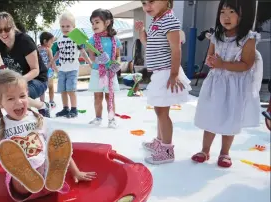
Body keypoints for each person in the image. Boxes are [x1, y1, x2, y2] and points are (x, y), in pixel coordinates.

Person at [0, 70, 96, 202]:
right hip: (23, 187)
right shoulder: (0, 125)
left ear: (28, 95)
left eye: (22, 96)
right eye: (11, 98)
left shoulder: (39, 119)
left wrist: (76, 172)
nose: (19, 102)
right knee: (19, 172)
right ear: (0, 103)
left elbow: (60, 150)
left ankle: (50, 175)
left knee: (53, 152)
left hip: (48, 183)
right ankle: (27, 174)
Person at [192, 0, 260, 168]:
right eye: (223, 12)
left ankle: (224, 153)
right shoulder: (216, 36)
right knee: (211, 115)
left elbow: (246, 65)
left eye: (232, 12)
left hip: (234, 86)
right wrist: (211, 61)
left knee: (230, 118)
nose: (226, 17)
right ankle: (205, 150)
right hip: (215, 83)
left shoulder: (248, 39)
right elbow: (210, 57)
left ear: (242, 15)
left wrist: (223, 64)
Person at [135, 0, 191, 165]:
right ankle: (160, 142)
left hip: (167, 72)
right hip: (159, 73)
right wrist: (142, 32)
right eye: (144, 3)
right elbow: (149, 44)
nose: (147, 7)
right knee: (159, 110)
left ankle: (167, 150)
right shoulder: (156, 21)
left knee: (162, 112)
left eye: (152, 2)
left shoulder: (169, 20)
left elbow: (176, 49)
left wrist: (173, 74)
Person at [0, 11, 50, 117]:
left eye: (6, 29)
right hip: (14, 79)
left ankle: (42, 106)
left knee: (17, 94)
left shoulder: (25, 41)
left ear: (13, 27)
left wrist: (17, 82)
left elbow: (35, 70)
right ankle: (7, 94)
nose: (3, 33)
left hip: (37, 80)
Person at [51, 11, 92, 118]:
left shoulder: (76, 39)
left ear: (74, 26)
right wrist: (52, 62)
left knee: (71, 90)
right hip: (61, 70)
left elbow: (83, 52)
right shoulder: (59, 40)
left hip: (72, 69)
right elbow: (58, 53)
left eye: (68, 26)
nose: (65, 28)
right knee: (62, 90)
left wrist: (90, 63)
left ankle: (74, 109)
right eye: (62, 26)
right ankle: (65, 108)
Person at [87, 9, 122, 128]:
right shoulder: (92, 40)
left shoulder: (115, 39)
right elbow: (92, 56)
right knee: (97, 96)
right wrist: (97, 60)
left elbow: (117, 56)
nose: (94, 25)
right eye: (92, 23)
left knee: (110, 96)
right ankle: (98, 118)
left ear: (107, 22)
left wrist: (116, 63)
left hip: (110, 73)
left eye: (97, 22)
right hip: (98, 72)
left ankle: (111, 119)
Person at [38, 32, 57, 108]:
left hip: (40, 71)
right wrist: (56, 70)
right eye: (51, 42)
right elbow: (52, 60)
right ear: (45, 41)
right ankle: (51, 101)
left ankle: (42, 103)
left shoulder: (37, 49)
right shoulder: (48, 50)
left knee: (42, 87)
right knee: (51, 86)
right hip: (48, 70)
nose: (52, 44)